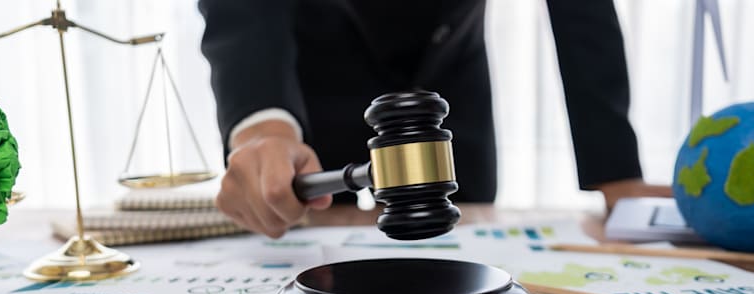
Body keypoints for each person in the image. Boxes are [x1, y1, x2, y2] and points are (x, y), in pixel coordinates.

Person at [197, 0, 669, 238]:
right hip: (312, 80)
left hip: (449, 86)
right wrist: (264, 125)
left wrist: (617, 173)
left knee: (460, 262)